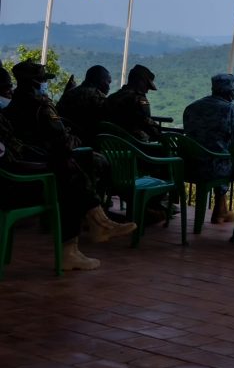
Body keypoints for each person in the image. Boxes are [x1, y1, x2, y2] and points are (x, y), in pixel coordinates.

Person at [3, 61, 135, 270]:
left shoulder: (11, 107)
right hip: (30, 181)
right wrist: (76, 141)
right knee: (72, 178)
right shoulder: (41, 107)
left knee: (68, 172)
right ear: (37, 82)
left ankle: (97, 223)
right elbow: (63, 141)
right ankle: (79, 242)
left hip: (18, 175)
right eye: (44, 81)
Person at [183, 73, 234, 224]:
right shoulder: (230, 110)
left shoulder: (192, 107)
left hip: (188, 165)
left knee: (219, 155)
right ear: (231, 91)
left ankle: (221, 209)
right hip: (214, 168)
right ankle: (222, 209)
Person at [57, 65, 112, 145]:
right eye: (108, 82)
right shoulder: (96, 96)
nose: (109, 86)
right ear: (99, 80)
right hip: (83, 144)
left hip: (62, 141)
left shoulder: (69, 93)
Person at [103, 64, 160, 142]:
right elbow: (146, 124)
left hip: (110, 144)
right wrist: (160, 134)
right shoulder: (139, 99)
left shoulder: (112, 97)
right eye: (147, 86)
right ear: (140, 82)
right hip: (133, 145)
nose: (147, 90)